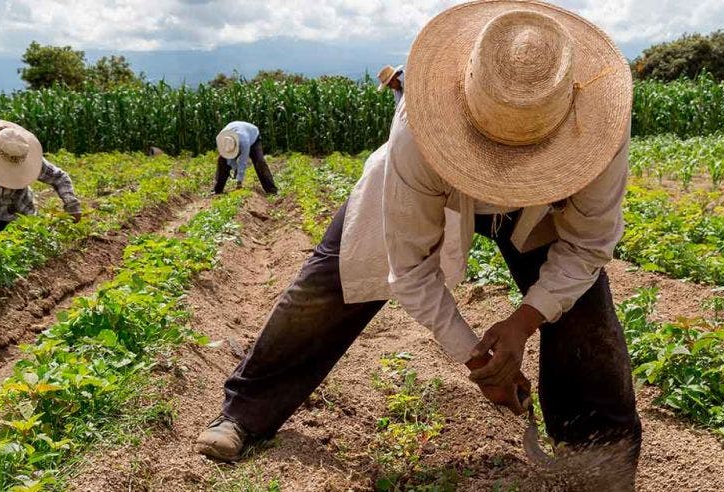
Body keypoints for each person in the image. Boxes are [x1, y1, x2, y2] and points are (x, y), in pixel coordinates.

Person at [198, 1, 641, 488]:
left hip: (543, 210)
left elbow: (587, 246)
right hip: (437, 186)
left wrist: (521, 323)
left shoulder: (600, 126)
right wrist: (477, 359)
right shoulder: (419, 131)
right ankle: (244, 413)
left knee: (584, 317)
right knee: (330, 286)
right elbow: (408, 268)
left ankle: (598, 458)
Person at [214, 121, 279, 195]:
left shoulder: (244, 141)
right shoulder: (222, 139)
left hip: (253, 137)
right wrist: (235, 168)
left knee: (259, 162)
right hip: (237, 132)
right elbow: (228, 158)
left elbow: (243, 161)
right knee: (222, 160)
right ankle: (217, 190)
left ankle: (272, 190)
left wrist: (239, 180)